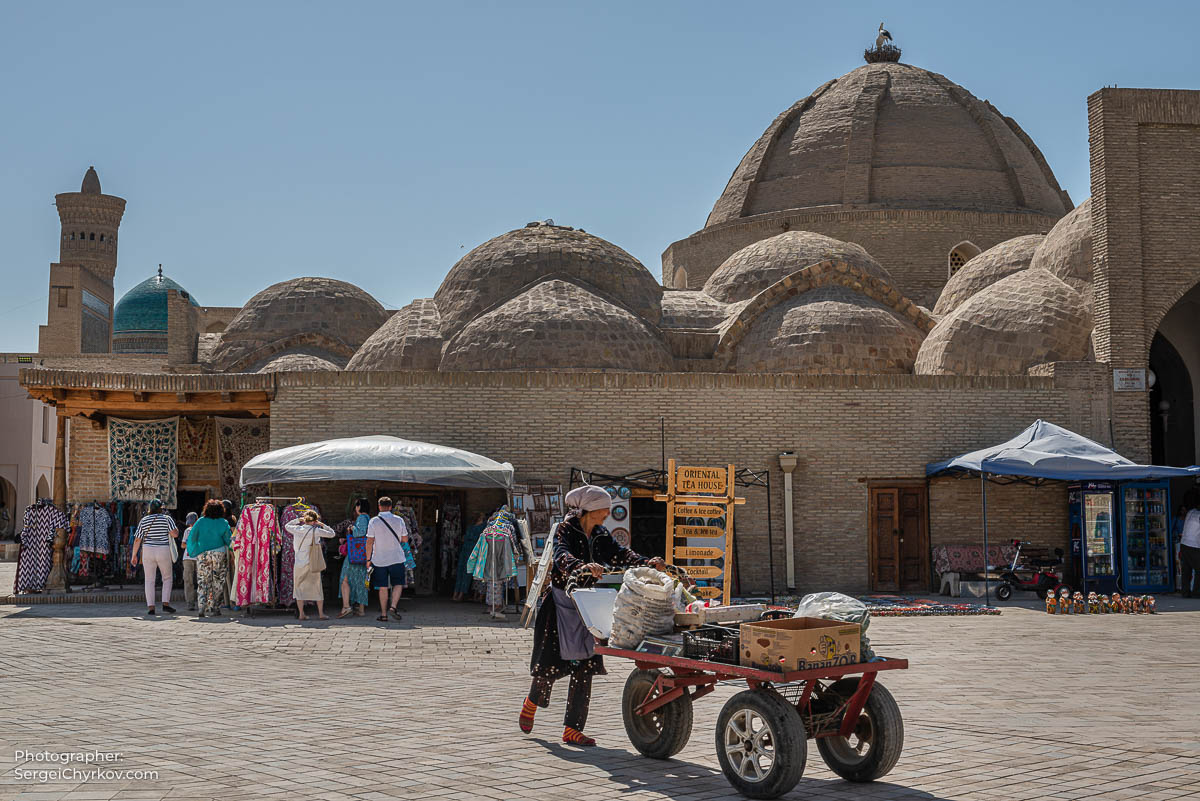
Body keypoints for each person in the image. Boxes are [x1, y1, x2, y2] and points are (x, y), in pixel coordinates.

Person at [521, 485, 667, 747]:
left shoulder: (599, 533)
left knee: (585, 664)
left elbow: (620, 554)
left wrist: (646, 563)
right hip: (559, 604)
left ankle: (572, 729)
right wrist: (582, 566)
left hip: (587, 605)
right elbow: (561, 555)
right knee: (549, 664)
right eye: (604, 508)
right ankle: (532, 701)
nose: (607, 514)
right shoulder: (566, 529)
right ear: (591, 508)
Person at [130, 499, 179, 616]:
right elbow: (175, 534)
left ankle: (151, 607)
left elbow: (137, 539)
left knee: (149, 580)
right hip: (163, 550)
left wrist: (134, 555)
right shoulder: (167, 519)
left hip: (148, 551)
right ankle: (165, 604)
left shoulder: (144, 520)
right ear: (161, 508)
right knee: (167, 578)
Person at [285, 510, 336, 620]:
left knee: (298, 588)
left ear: (305, 519)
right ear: (315, 520)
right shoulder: (316, 531)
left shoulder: (297, 529)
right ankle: (321, 614)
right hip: (313, 563)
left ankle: (301, 614)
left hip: (299, 563)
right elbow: (332, 534)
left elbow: (287, 525)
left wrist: (298, 520)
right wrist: (322, 525)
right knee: (317, 587)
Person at [187, 500, 233, 617]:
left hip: (203, 554)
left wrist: (194, 549)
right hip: (219, 554)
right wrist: (233, 552)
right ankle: (215, 608)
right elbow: (229, 540)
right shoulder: (223, 522)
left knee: (203, 581)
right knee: (218, 582)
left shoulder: (200, 522)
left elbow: (192, 536)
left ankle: (202, 607)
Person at [366, 496, 408, 622]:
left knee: (382, 587)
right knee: (398, 583)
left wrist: (368, 559)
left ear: (379, 506)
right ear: (391, 507)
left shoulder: (373, 521)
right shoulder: (399, 520)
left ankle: (383, 614)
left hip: (379, 559)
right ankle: (393, 607)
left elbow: (369, 542)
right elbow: (405, 539)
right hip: (396, 557)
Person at [338, 498, 371, 618]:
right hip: (363, 554)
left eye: (356, 505)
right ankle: (361, 609)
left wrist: (351, 527)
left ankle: (346, 606)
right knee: (361, 581)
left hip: (355, 554)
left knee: (345, 579)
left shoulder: (362, 518)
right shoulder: (369, 518)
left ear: (359, 507)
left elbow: (359, 533)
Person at [453, 512, 486, 601]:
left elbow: (464, 538)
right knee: (467, 573)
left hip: (465, 549)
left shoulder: (470, 527)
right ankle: (460, 595)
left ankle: (455, 594)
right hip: (473, 550)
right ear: (480, 518)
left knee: (461, 571)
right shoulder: (482, 527)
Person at [1179, 489, 1200, 598]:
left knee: (1186, 570)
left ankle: (1185, 592)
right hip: (1194, 546)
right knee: (1199, 570)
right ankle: (1197, 592)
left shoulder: (1191, 512)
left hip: (1184, 544)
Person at [180, 512, 199, 611]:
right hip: (188, 558)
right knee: (189, 581)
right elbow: (182, 545)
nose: (191, 525)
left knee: (199, 581)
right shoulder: (187, 531)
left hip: (198, 557)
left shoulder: (200, 529)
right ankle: (190, 603)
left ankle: (201, 602)